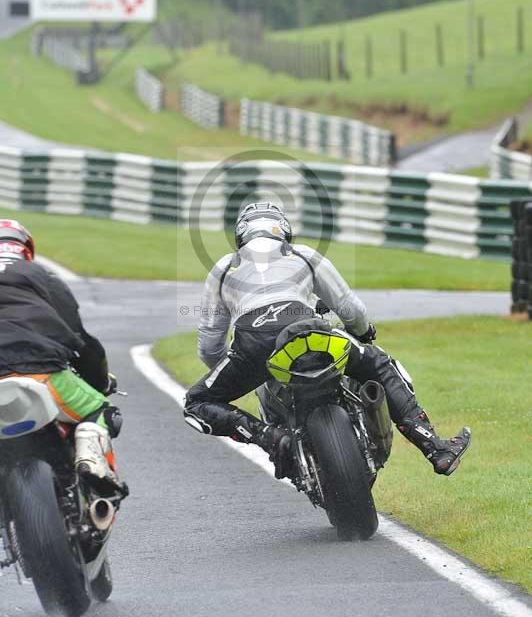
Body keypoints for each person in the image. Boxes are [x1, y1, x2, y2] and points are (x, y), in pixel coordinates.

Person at [184, 201, 471, 478]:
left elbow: (210, 345)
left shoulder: (222, 268)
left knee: (196, 402)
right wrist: (362, 333)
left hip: (253, 345)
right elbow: (349, 307)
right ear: (284, 230)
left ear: (240, 235)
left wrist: (239, 372)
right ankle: (434, 446)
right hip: (309, 332)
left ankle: (270, 438)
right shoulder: (302, 254)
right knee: (380, 363)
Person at [0, 219, 122, 489]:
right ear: (25, 251)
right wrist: (100, 383)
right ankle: (91, 459)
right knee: (100, 409)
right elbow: (82, 341)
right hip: (41, 371)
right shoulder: (41, 277)